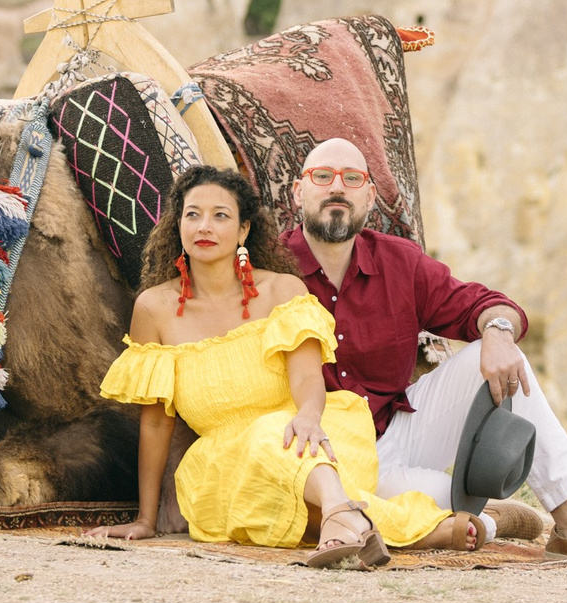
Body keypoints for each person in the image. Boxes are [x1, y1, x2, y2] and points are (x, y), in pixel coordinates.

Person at [87, 165, 481, 567]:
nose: (205, 225)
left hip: (312, 433)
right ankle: (387, 525)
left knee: (272, 433)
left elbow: (308, 375)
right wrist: (146, 518)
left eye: (221, 215)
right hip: (221, 463)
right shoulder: (153, 308)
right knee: (269, 483)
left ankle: (340, 511)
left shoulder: (282, 290)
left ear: (243, 231)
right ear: (178, 225)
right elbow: (155, 422)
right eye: (193, 214)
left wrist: (309, 416)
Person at [282, 137, 567, 558]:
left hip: (397, 431)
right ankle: (495, 519)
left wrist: (500, 334)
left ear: (370, 196)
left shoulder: (399, 262)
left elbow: (482, 304)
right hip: (322, 449)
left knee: (506, 356)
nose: (337, 187)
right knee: (436, 504)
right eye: (323, 176)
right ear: (299, 191)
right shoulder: (272, 269)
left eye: (352, 178)